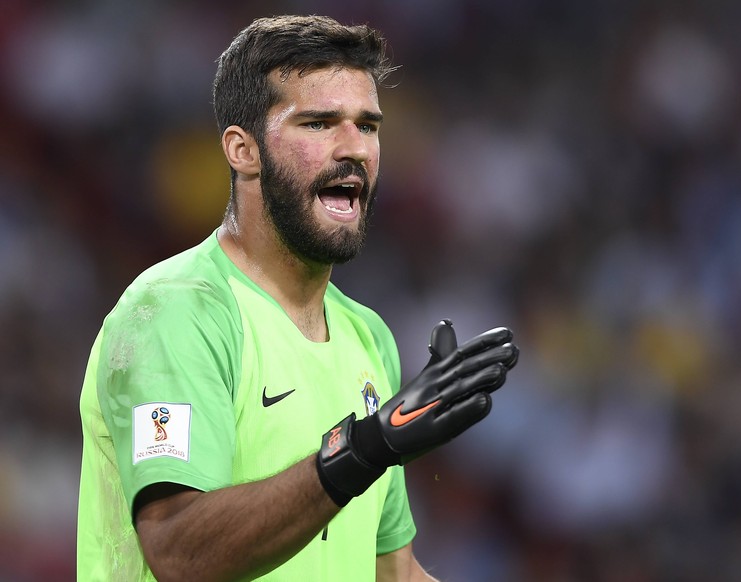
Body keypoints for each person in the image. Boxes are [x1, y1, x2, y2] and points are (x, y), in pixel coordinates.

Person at [76, 14, 519, 582]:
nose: (353, 148)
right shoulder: (179, 312)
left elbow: (393, 572)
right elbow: (179, 553)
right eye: (318, 123)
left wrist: (370, 447)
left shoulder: (368, 336)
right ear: (243, 150)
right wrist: (361, 450)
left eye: (367, 125)